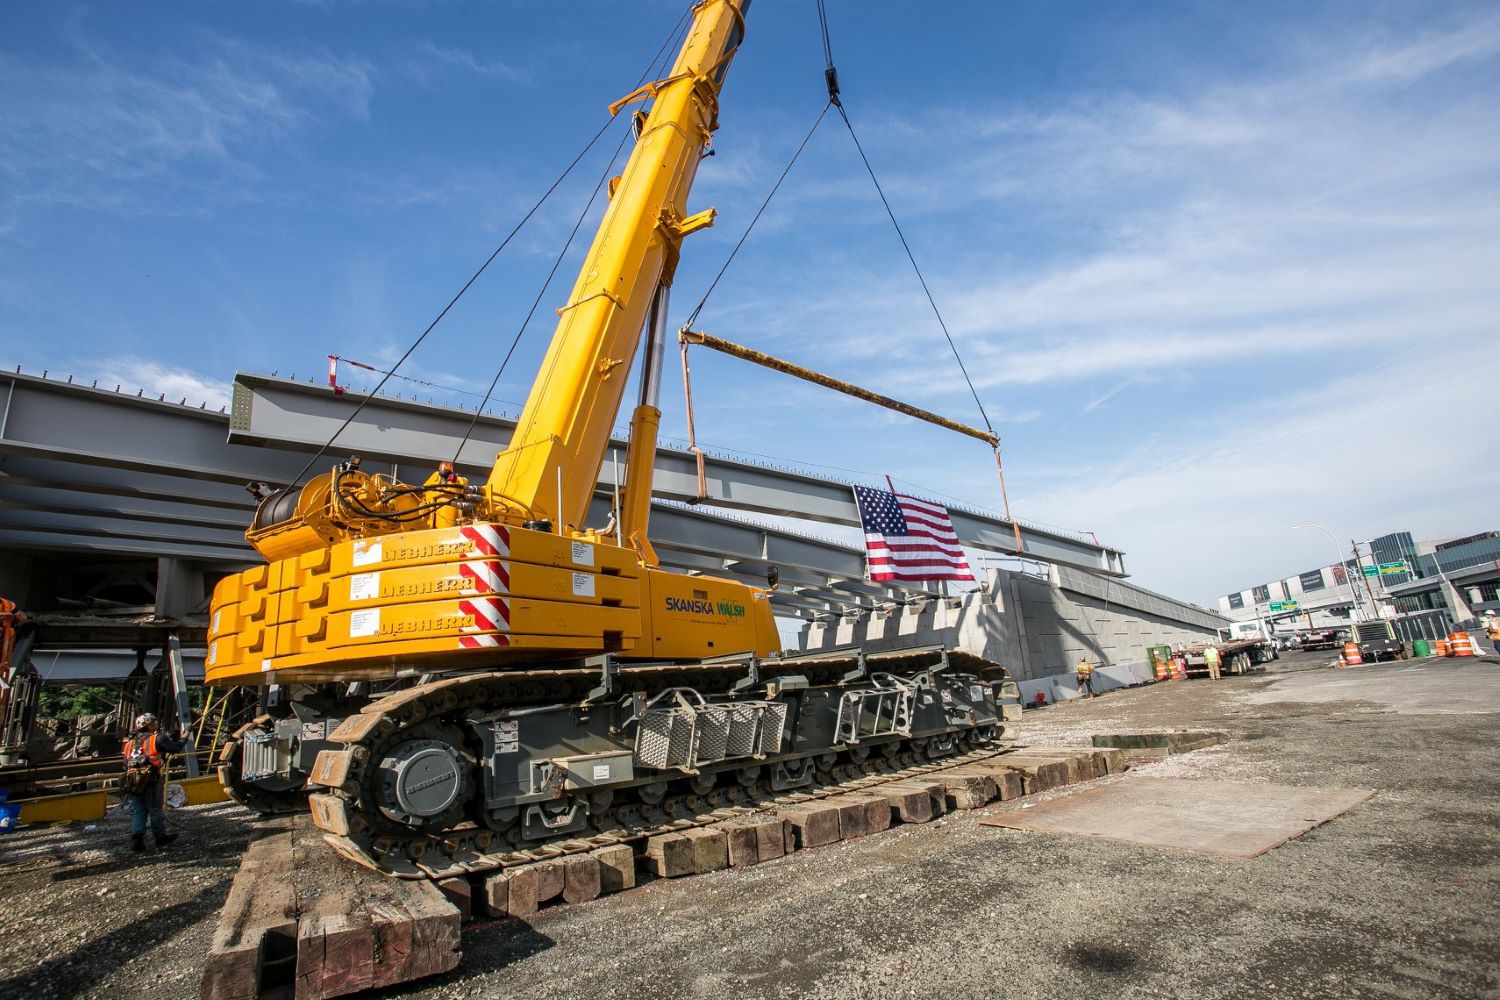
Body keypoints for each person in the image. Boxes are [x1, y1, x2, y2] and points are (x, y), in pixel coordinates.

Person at [121, 713, 186, 852]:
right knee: (155, 809)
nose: (157, 724)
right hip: (150, 779)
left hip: (132, 780)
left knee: (139, 811)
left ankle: (137, 840)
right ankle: (160, 838)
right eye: (155, 721)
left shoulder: (129, 744)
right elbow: (175, 748)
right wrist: (184, 738)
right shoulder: (157, 738)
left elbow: (125, 764)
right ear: (150, 724)